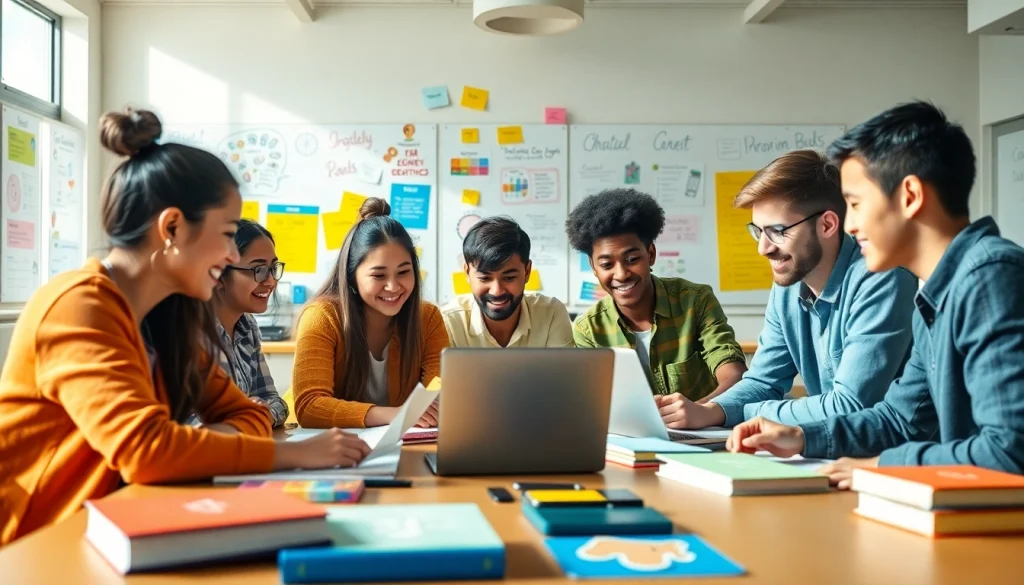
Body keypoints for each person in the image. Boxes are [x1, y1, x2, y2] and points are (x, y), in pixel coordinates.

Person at [0, 108, 369, 546]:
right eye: (228, 233)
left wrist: (191, 442)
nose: (233, 256)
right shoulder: (79, 305)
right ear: (172, 227)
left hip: (116, 530)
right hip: (36, 545)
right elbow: (146, 452)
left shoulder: (168, 316)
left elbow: (249, 413)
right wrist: (293, 454)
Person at [727, 101, 1024, 485]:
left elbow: (1008, 451)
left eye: (854, 204)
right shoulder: (936, 294)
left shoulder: (989, 278)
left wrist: (881, 465)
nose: (848, 225)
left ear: (911, 196)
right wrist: (802, 436)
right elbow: (899, 419)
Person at [669, 150, 917, 429]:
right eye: (758, 231)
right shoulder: (788, 285)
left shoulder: (881, 279)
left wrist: (749, 413)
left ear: (827, 225)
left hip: (900, 460)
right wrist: (713, 410)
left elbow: (850, 405)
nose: (763, 248)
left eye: (777, 231)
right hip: (831, 450)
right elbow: (763, 381)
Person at [567, 188, 747, 413]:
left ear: (650, 254)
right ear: (593, 268)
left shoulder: (695, 301)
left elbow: (734, 374)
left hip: (705, 434)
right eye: (606, 265)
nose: (621, 274)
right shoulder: (588, 329)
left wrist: (700, 412)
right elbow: (594, 401)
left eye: (632, 259)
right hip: (632, 440)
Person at [291, 198, 449, 429]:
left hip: (402, 445)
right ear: (352, 275)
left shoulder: (428, 318)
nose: (393, 286)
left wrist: (433, 398)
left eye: (403, 272)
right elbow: (311, 406)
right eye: (378, 275)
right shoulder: (322, 317)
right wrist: (396, 415)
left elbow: (437, 385)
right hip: (335, 449)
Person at [204, 219, 289, 427]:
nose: (270, 281)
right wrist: (250, 417)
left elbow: (273, 400)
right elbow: (191, 423)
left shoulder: (247, 326)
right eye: (258, 269)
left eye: (273, 268)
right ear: (220, 274)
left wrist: (261, 414)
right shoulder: (195, 333)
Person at [442, 217, 574, 348]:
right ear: (467, 273)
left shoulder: (551, 314)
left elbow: (562, 370)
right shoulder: (448, 322)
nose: (497, 291)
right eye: (484, 278)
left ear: (527, 272)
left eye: (509, 278)